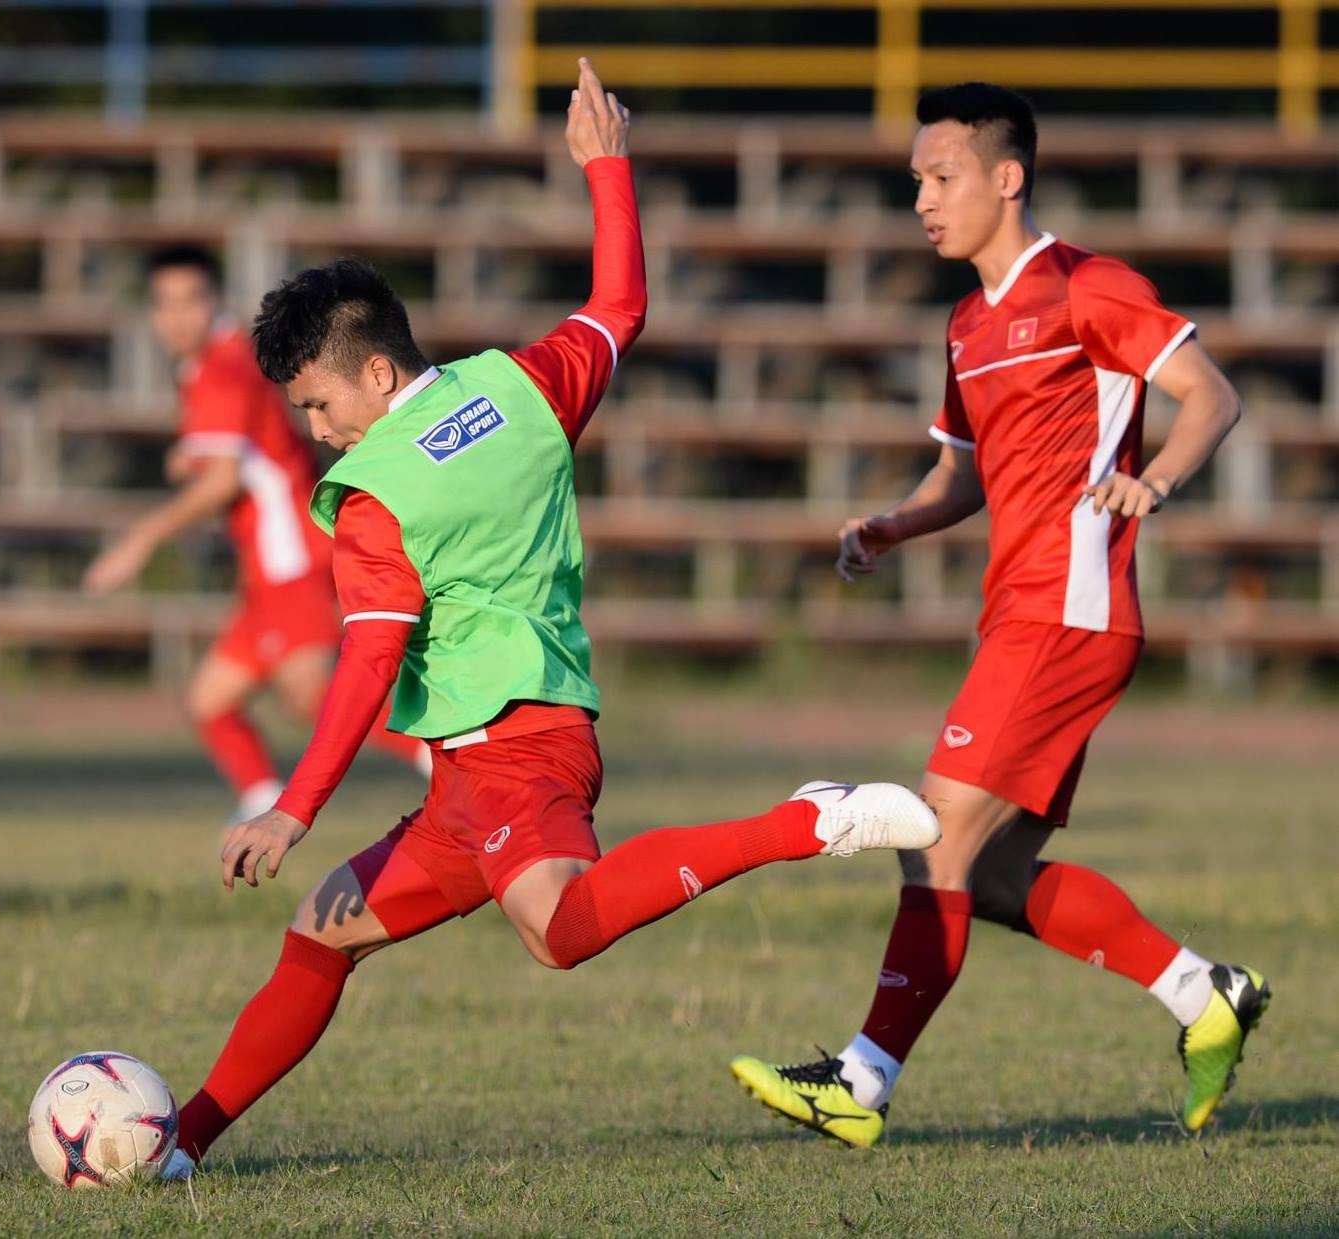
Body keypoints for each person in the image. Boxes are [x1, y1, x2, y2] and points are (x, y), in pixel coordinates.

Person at [149, 59, 939, 1182]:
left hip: (515, 751)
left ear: (375, 374)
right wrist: (606, 167)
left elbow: (370, 653)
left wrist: (293, 808)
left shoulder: (372, 492)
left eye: (320, 405)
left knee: (558, 931)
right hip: (483, 769)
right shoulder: (520, 388)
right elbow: (620, 305)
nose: (318, 432)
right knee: (322, 933)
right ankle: (184, 1141)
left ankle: (802, 823)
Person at [730, 83, 1263, 1147]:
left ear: (1005, 177)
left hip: (1068, 611)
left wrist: (1150, 483)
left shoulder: (1086, 287)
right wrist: (890, 524)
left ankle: (861, 1082)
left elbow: (1211, 394)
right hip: (1022, 615)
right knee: (995, 876)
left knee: (932, 835)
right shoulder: (968, 322)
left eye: (942, 178)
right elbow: (963, 475)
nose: (923, 200)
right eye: (915, 183)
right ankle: (1202, 991)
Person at [83, 245, 429, 823]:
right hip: (269, 564)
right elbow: (240, 454)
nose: (177, 317)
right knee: (209, 700)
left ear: (215, 299)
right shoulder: (213, 365)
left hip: (291, 556)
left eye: (191, 300)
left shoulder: (220, 371)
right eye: (164, 304)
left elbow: (222, 480)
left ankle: (438, 755)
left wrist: (140, 538)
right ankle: (259, 799)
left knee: (314, 696)